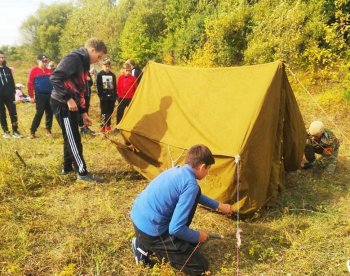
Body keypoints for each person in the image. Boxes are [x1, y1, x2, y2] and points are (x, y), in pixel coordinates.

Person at [130, 144, 232, 275]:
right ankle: (143, 247)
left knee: (195, 192)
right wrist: (197, 236)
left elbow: (196, 195)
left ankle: (144, 242)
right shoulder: (190, 185)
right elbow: (175, 229)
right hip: (152, 233)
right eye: (208, 169)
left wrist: (219, 206)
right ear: (202, 167)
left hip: (138, 219)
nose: (207, 173)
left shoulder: (177, 171)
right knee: (201, 267)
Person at [50, 38, 107, 183]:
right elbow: (55, 77)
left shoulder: (84, 63)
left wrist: (83, 112)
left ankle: (67, 167)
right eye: (99, 56)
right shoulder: (73, 58)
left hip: (72, 104)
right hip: (63, 103)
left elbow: (80, 88)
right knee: (73, 138)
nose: (98, 60)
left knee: (69, 135)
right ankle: (82, 172)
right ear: (92, 50)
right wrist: (68, 99)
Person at [28, 54, 54, 138]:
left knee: (50, 113)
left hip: (50, 95)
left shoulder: (49, 71)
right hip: (40, 95)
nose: (45, 63)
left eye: (46, 61)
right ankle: (32, 131)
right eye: (43, 61)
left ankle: (48, 130)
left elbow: (54, 82)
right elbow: (30, 83)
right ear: (38, 61)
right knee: (39, 113)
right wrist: (31, 96)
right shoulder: (34, 70)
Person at [0, 50, 22, 138]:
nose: (1, 59)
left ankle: (15, 131)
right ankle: (6, 131)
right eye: (0, 57)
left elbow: (12, 81)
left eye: (2, 57)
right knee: (2, 114)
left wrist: (14, 92)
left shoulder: (7, 69)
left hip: (9, 95)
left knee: (13, 113)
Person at [96, 58, 117, 134]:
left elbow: (115, 86)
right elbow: (98, 86)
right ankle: (102, 127)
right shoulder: (99, 74)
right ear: (102, 66)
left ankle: (108, 125)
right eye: (105, 66)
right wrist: (101, 96)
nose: (107, 68)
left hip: (111, 97)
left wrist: (114, 96)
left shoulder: (112, 75)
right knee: (104, 112)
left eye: (108, 66)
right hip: (103, 97)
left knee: (110, 112)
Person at [79, 70, 95, 136]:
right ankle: (82, 128)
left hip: (87, 94)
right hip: (81, 95)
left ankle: (86, 127)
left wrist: (90, 78)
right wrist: (85, 79)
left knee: (86, 111)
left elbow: (91, 83)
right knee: (81, 111)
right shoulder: (79, 71)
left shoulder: (87, 72)